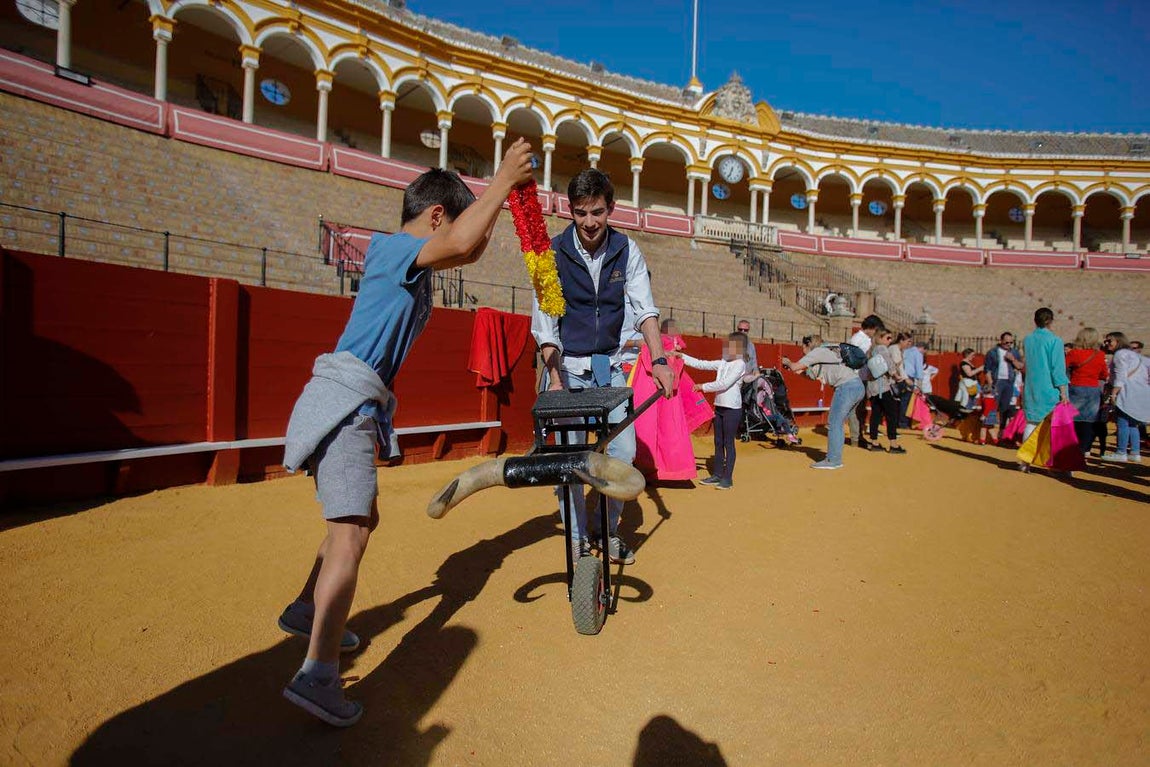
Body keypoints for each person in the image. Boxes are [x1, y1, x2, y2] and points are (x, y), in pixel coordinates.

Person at [276, 141, 536, 726]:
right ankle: (317, 675)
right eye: (454, 219)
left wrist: (500, 199)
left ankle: (306, 609)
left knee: (359, 520)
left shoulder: (411, 260)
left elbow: (468, 246)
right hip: (347, 403)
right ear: (437, 216)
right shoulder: (393, 248)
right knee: (350, 536)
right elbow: (463, 243)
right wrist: (500, 180)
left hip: (351, 402)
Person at [533, 168, 675, 565]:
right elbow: (545, 327)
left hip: (608, 369)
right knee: (572, 460)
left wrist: (659, 360)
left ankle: (606, 530)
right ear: (570, 211)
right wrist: (556, 380)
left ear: (610, 208)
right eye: (580, 213)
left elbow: (645, 310)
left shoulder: (627, 250)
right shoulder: (551, 254)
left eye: (597, 212)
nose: (589, 222)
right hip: (566, 368)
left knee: (624, 453)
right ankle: (578, 540)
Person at [674, 332, 749, 489]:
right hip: (720, 406)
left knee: (728, 443)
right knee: (718, 442)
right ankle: (717, 475)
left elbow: (724, 383)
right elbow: (702, 364)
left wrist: (702, 386)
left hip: (732, 409)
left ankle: (727, 479)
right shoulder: (723, 363)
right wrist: (681, 356)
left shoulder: (740, 364)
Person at [782, 334, 866, 470]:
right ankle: (836, 457)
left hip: (846, 387)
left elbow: (795, 366)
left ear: (808, 345)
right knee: (837, 423)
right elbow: (811, 375)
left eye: (803, 347)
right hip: (856, 386)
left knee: (834, 422)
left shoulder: (817, 352)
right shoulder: (828, 351)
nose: (802, 350)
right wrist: (795, 370)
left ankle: (833, 460)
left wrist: (787, 362)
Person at [1019, 308, 1070, 469]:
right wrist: (1063, 391)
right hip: (1050, 389)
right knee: (1057, 427)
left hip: (1032, 387)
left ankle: (1025, 462)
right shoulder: (1055, 340)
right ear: (1050, 320)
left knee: (1031, 423)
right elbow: (1057, 368)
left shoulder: (1028, 339)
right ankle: (1059, 464)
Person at [1101, 332, 1150, 463]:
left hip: (1126, 392)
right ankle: (1135, 452)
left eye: (1109, 341)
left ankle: (1121, 452)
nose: (1107, 343)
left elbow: (1120, 376)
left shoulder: (1120, 354)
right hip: (1138, 392)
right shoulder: (1135, 355)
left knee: (1122, 422)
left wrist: (1113, 393)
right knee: (1133, 424)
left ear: (1118, 341)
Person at [1065, 327, 1108, 454]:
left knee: (1072, 420)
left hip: (1076, 387)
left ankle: (1070, 448)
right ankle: (1083, 449)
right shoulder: (1100, 354)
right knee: (1088, 422)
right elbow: (1104, 374)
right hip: (1093, 389)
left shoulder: (1074, 353)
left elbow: (1063, 368)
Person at [846, 314, 885, 448]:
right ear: (872, 328)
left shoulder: (863, 339)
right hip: (856, 377)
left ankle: (859, 436)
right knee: (855, 408)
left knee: (860, 408)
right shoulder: (858, 339)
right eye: (876, 330)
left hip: (862, 377)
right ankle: (855, 438)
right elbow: (852, 359)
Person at [866, 329, 905, 453]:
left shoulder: (871, 350)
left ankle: (873, 442)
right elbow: (889, 364)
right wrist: (895, 375)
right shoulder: (882, 348)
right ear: (880, 338)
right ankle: (893, 444)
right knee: (891, 414)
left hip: (872, 388)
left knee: (876, 414)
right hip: (882, 387)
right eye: (888, 338)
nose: (890, 340)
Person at [984, 332, 1024, 444]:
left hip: (1009, 382)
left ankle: (1001, 433)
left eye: (1011, 342)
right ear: (1001, 341)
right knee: (992, 407)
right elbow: (987, 369)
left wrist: (1012, 359)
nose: (1009, 344)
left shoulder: (1014, 352)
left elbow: (1020, 366)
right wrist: (991, 384)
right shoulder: (992, 352)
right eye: (1006, 342)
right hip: (997, 381)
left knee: (1005, 408)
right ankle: (988, 434)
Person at [900, 337, 924, 427]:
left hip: (900, 376)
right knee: (907, 401)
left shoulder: (904, 351)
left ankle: (898, 421)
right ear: (923, 348)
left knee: (900, 400)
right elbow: (919, 369)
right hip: (909, 378)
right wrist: (919, 385)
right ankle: (904, 423)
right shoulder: (918, 354)